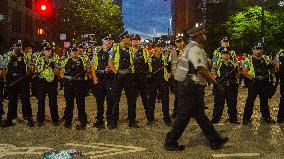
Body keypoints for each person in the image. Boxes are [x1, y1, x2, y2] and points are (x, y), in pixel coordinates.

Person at [164, 24, 228, 151]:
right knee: (183, 116)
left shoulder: (191, 47)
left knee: (200, 116)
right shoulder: (194, 49)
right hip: (189, 87)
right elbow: (201, 69)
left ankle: (215, 140)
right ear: (198, 35)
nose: (205, 35)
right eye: (203, 33)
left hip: (189, 86)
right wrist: (215, 83)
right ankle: (170, 141)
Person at [108, 31, 139, 128]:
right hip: (118, 77)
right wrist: (116, 73)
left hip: (129, 77)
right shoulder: (115, 48)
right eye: (128, 38)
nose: (130, 39)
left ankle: (132, 121)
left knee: (131, 99)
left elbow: (134, 60)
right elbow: (110, 62)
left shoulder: (131, 49)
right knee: (115, 100)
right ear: (123, 38)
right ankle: (113, 122)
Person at [1, 40, 35, 127]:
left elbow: (31, 67)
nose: (19, 47)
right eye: (17, 45)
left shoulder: (26, 56)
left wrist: (30, 71)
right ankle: (10, 119)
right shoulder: (8, 55)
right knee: (12, 101)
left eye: (20, 45)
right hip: (12, 81)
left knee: (25, 100)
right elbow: (4, 68)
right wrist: (5, 80)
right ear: (13, 46)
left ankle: (28, 117)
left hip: (23, 81)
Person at [242, 42, 275, 124]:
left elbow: (274, 67)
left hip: (264, 83)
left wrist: (273, 65)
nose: (259, 51)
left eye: (260, 49)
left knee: (264, 101)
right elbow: (244, 72)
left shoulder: (266, 59)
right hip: (253, 84)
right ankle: (246, 119)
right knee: (250, 101)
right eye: (256, 49)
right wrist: (253, 79)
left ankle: (266, 117)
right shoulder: (248, 60)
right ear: (253, 50)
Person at [61, 45, 90, 130]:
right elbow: (61, 71)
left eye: (75, 51)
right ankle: (67, 122)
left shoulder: (83, 59)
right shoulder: (65, 60)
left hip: (80, 83)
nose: (74, 52)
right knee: (69, 104)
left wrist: (86, 70)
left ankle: (83, 122)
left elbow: (89, 69)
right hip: (69, 84)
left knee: (81, 104)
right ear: (69, 52)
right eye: (72, 51)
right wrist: (64, 78)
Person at [33, 43, 61, 127]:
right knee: (41, 102)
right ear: (43, 51)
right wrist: (35, 73)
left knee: (53, 102)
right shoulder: (38, 58)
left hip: (52, 83)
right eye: (47, 50)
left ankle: (55, 119)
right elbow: (34, 70)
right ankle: (40, 120)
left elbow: (58, 72)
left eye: (50, 50)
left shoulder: (56, 58)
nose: (48, 51)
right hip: (41, 82)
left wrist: (53, 67)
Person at [129, 34, 153, 125]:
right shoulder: (129, 51)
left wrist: (147, 74)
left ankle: (150, 118)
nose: (135, 41)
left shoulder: (144, 51)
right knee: (132, 100)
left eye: (137, 40)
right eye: (133, 40)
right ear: (131, 41)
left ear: (139, 41)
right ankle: (132, 120)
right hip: (132, 78)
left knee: (145, 98)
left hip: (142, 77)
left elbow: (148, 64)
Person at [211, 48, 239, 124]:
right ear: (221, 54)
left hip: (231, 86)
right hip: (221, 86)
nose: (225, 54)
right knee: (218, 104)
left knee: (232, 104)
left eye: (227, 53)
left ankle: (233, 119)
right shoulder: (217, 63)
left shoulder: (233, 63)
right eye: (223, 53)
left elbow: (237, 75)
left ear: (229, 54)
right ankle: (215, 120)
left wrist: (239, 69)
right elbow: (213, 73)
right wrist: (217, 81)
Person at [91, 35, 114, 128]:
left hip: (109, 79)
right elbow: (92, 65)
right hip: (100, 79)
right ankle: (99, 119)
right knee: (99, 100)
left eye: (109, 40)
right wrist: (94, 78)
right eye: (106, 40)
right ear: (103, 41)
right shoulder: (97, 51)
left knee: (110, 100)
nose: (108, 42)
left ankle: (109, 120)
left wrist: (111, 69)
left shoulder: (113, 51)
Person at [147, 41, 172, 126]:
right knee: (151, 100)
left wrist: (169, 73)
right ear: (154, 48)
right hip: (153, 81)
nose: (160, 48)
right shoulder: (150, 58)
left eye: (161, 47)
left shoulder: (165, 57)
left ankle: (167, 118)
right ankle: (150, 118)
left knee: (165, 100)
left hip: (163, 80)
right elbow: (147, 69)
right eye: (158, 47)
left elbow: (169, 67)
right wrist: (148, 74)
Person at [170, 36, 185, 118]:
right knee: (177, 95)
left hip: (185, 76)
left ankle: (185, 112)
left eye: (180, 41)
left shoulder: (187, 51)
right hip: (176, 77)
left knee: (185, 95)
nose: (179, 43)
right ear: (175, 43)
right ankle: (176, 112)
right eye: (177, 42)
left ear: (183, 42)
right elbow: (173, 64)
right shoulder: (173, 52)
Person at [274, 49, 284, 123]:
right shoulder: (280, 53)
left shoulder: (280, 52)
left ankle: (280, 117)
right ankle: (280, 117)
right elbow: (277, 66)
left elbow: (277, 67)